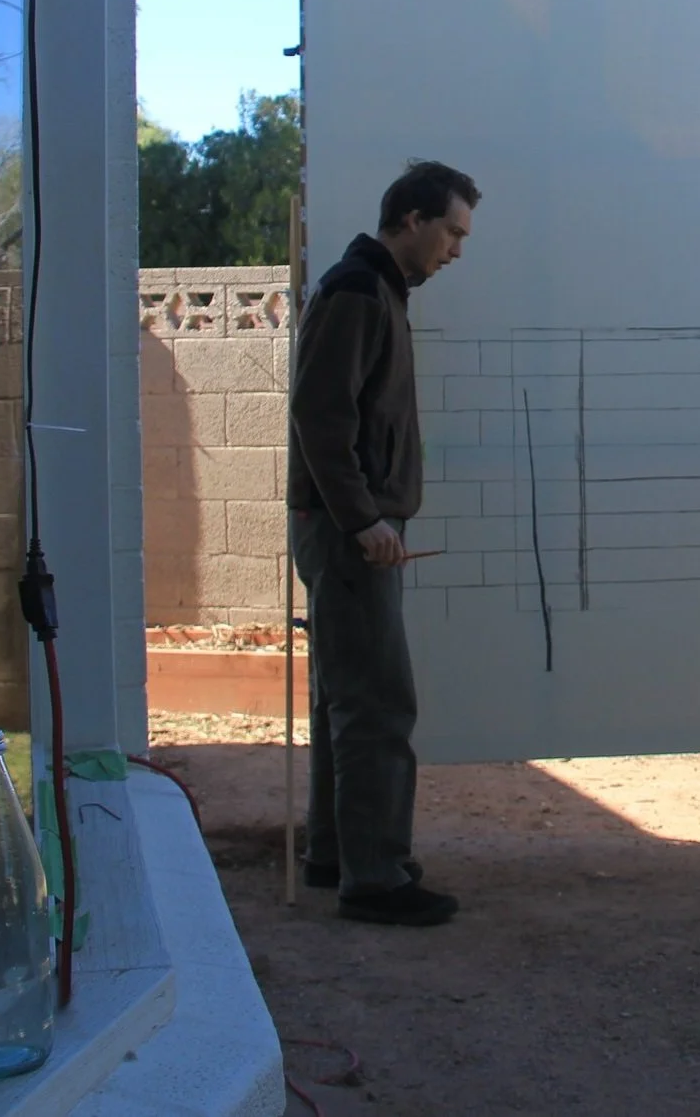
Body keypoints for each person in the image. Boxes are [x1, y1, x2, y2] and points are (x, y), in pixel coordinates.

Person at [287, 159, 479, 926]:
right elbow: (319, 415)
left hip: (348, 527)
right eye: (451, 233)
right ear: (411, 219)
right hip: (348, 533)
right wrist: (363, 519)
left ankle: (337, 854)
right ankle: (375, 878)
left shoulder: (376, 290)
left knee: (347, 695)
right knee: (378, 701)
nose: (455, 251)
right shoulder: (358, 291)